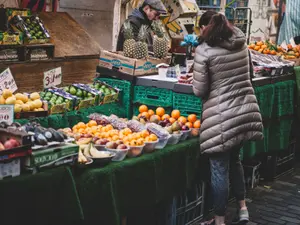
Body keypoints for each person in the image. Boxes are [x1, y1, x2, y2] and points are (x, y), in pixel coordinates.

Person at [193, 12, 263, 225]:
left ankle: (220, 220)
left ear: (207, 27)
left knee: (219, 168)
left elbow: (199, 89)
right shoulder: (242, 44)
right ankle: (243, 209)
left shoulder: (204, 51)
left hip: (221, 118)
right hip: (243, 113)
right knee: (235, 160)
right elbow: (249, 74)